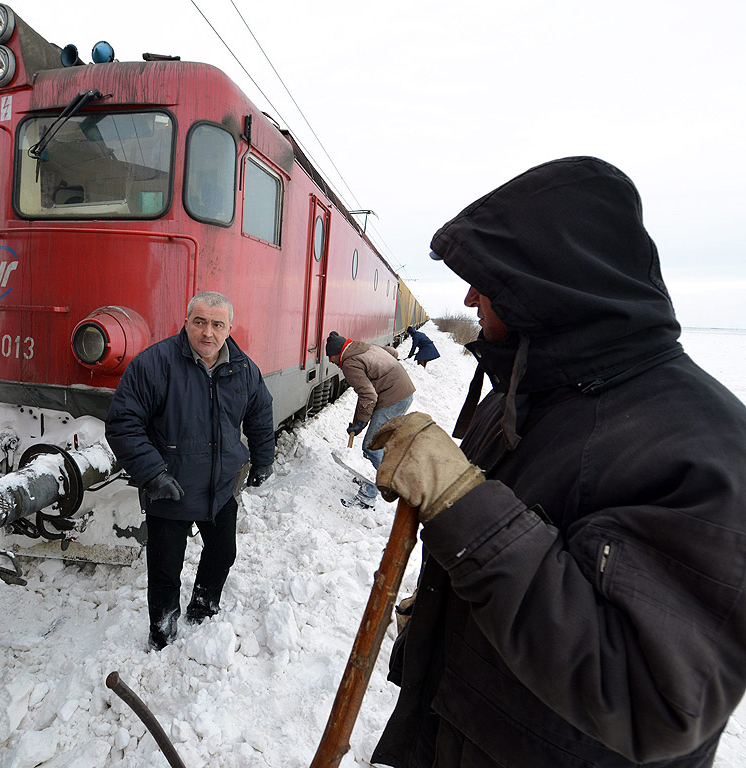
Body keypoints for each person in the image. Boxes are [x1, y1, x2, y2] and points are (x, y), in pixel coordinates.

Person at [368, 157, 746, 767]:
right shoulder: (529, 394)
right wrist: (453, 612)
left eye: (487, 278)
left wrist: (459, 503)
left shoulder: (710, 452)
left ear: (546, 280)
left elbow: (654, 700)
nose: (469, 296)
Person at [105, 291, 275, 650]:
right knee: (166, 571)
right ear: (186, 323)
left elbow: (260, 414)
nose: (207, 332)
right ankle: (163, 633)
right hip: (171, 487)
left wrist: (263, 459)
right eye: (199, 322)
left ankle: (202, 608)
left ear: (229, 329)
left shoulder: (243, 369)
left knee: (223, 553)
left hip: (220, 486)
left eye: (217, 324)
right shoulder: (155, 364)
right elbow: (123, 422)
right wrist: (153, 474)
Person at [326, 330, 415, 509]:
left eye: (330, 356)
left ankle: (369, 495)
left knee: (371, 446)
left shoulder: (349, 363)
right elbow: (393, 353)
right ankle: (370, 478)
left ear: (338, 353)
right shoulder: (364, 347)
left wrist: (360, 423)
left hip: (393, 399)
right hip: (401, 393)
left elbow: (368, 395)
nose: (330, 361)